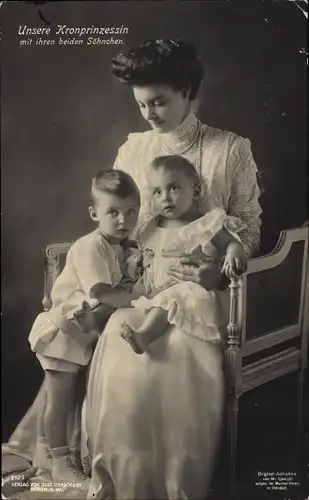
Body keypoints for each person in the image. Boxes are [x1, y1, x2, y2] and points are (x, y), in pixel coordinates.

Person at [2, 39, 262, 500]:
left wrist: (217, 270)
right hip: (142, 285)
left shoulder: (231, 148)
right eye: (141, 103)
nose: (150, 113)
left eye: (160, 101)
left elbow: (247, 229)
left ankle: (170, 484)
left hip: (208, 291)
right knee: (126, 330)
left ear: (188, 91)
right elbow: (120, 224)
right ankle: (118, 478)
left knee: (177, 345)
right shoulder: (135, 148)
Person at [27, 169, 141, 487]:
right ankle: (58, 462)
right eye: (113, 212)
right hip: (63, 334)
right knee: (59, 401)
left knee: (67, 398)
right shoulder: (90, 247)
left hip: (80, 335)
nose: (123, 219)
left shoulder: (118, 246)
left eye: (131, 211)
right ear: (94, 214)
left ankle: (48, 454)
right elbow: (101, 293)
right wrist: (136, 297)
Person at [120, 154, 247, 355]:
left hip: (193, 293)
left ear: (195, 191)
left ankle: (144, 335)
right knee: (136, 305)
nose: (166, 197)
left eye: (174, 188)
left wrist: (234, 252)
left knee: (174, 296)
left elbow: (231, 243)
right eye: (157, 192)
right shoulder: (150, 228)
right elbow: (143, 256)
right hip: (156, 292)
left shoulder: (204, 224)